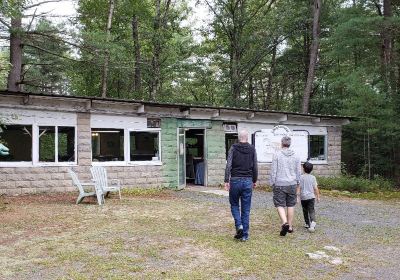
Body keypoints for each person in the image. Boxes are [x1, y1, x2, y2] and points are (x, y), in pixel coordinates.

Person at [224, 129, 258, 242]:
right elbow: (255, 166)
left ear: (239, 138)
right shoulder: (252, 148)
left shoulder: (233, 148)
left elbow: (228, 164)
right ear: (247, 137)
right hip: (248, 180)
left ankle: (239, 226)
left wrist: (226, 180)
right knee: (246, 209)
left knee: (234, 204)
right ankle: (245, 235)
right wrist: (254, 180)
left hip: (235, 180)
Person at [269, 136, 301, 236]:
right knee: (291, 205)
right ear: (290, 144)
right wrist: (298, 182)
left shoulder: (277, 154)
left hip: (280, 183)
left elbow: (274, 170)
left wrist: (272, 182)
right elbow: (298, 171)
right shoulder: (296, 155)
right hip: (292, 183)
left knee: (279, 204)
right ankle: (290, 226)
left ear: (282, 143)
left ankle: (284, 222)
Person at [299, 161, 320, 232]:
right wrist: (318, 196)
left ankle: (307, 223)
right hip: (311, 197)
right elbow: (315, 188)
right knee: (311, 210)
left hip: (303, 197)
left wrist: (297, 197)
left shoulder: (301, 177)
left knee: (305, 210)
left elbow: (299, 187)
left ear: (303, 169)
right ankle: (313, 221)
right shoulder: (313, 177)